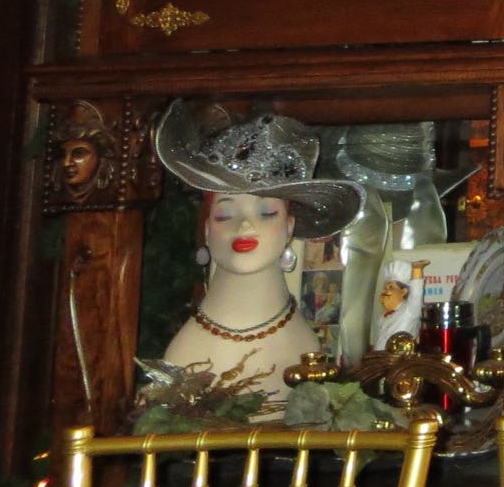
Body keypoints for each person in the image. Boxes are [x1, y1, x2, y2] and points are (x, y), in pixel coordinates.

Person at [153, 103, 364, 413]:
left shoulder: (302, 348)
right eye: (225, 214)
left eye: (266, 213)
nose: (245, 227)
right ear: (207, 230)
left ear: (289, 227)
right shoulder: (187, 354)